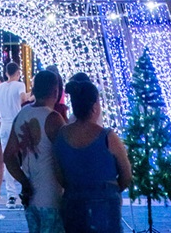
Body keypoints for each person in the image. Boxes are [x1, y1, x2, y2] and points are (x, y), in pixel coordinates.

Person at [52, 77, 131, 233]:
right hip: (105, 204)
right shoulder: (108, 137)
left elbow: (58, 174)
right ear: (95, 107)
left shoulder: (61, 135)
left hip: (73, 203)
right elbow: (126, 175)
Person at [3, 68, 65, 233]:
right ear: (55, 91)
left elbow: (8, 156)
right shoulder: (54, 118)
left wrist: (24, 181)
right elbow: (65, 158)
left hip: (31, 196)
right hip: (52, 195)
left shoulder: (23, 114)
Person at [0, 61, 32, 208]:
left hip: (3, 125)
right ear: (17, 73)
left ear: (6, 73)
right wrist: (32, 95)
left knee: (7, 160)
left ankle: (11, 195)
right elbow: (23, 99)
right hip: (17, 125)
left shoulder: (0, 88)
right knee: (23, 159)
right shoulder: (19, 85)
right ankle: (25, 189)